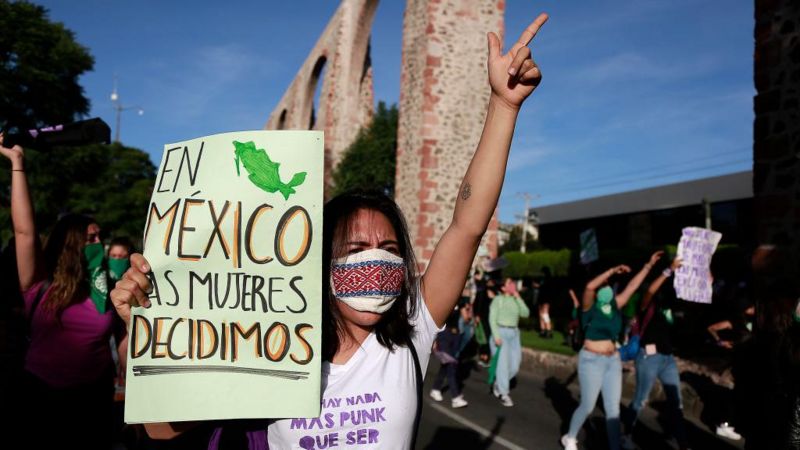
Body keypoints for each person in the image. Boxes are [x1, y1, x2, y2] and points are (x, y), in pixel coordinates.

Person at [110, 13, 549, 449]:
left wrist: (503, 106)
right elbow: (161, 430)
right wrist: (150, 336)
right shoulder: (271, 342)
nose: (374, 259)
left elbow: (467, 226)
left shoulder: (412, 330)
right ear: (322, 259)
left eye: (388, 247)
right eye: (356, 246)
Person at [1, 132, 127, 449]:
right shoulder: (39, 284)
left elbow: (120, 338)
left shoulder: (106, 287)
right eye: (91, 238)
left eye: (100, 236)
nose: (100, 244)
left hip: (93, 399)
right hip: (41, 396)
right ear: (71, 245)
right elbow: (25, 231)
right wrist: (17, 164)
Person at [561, 251, 663, 450]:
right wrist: (612, 271)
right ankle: (570, 437)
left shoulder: (615, 305)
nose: (607, 289)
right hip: (591, 359)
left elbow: (632, 286)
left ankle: (615, 446)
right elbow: (590, 286)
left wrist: (648, 266)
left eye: (608, 286)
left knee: (613, 409)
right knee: (588, 405)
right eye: (604, 286)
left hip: (612, 360)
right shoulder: (588, 308)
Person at [622, 257, 690, 450]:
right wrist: (668, 270)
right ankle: (627, 434)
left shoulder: (667, 307)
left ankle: (683, 443)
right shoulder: (646, 305)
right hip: (648, 357)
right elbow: (651, 290)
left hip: (667, 359)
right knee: (640, 400)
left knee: (676, 402)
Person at [489, 277, 530, 407]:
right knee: (503, 364)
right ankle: (503, 393)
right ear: (503, 287)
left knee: (515, 366)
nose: (512, 284)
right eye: (509, 283)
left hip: (514, 334)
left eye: (512, 282)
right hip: (500, 333)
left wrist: (518, 297)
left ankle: (499, 382)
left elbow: (526, 313)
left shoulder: (516, 299)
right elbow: (492, 318)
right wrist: (496, 336)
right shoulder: (498, 300)